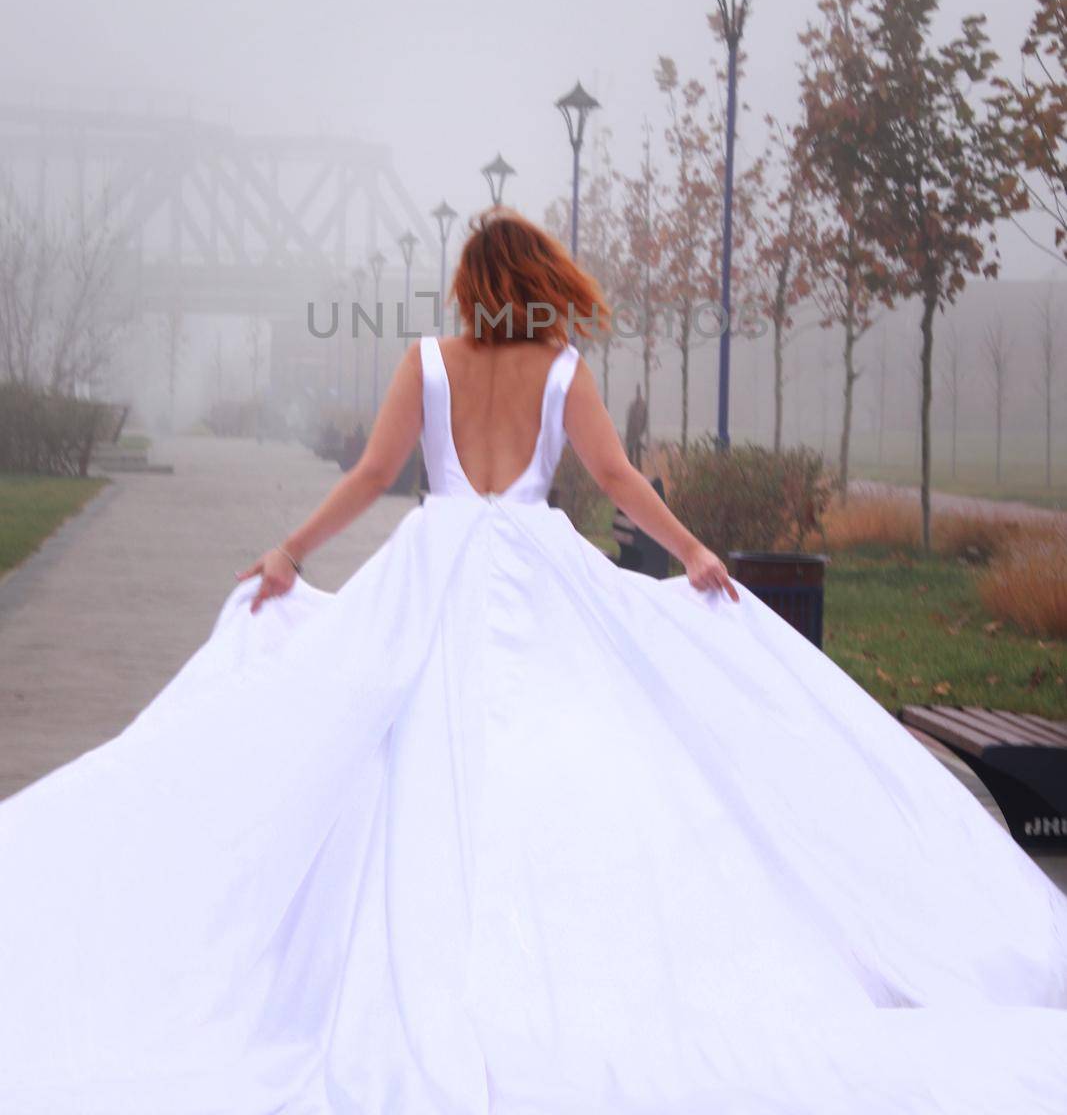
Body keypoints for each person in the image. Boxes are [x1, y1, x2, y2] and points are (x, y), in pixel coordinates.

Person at [0, 207, 1064, 1115]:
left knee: (399, 757)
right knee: (576, 757)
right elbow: (613, 479)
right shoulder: (563, 370)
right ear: (540, 284)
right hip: (536, 576)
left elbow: (377, 474)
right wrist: (692, 551)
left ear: (470, 285)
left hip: (435, 571)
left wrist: (288, 553)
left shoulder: (424, 361)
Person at [623, 381, 647, 467]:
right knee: (631, 458)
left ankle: (638, 474)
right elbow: (629, 421)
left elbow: (645, 421)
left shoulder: (643, 405)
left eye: (638, 391)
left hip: (636, 435)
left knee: (637, 458)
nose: (638, 393)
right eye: (637, 391)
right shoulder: (632, 405)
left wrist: (640, 433)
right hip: (631, 435)